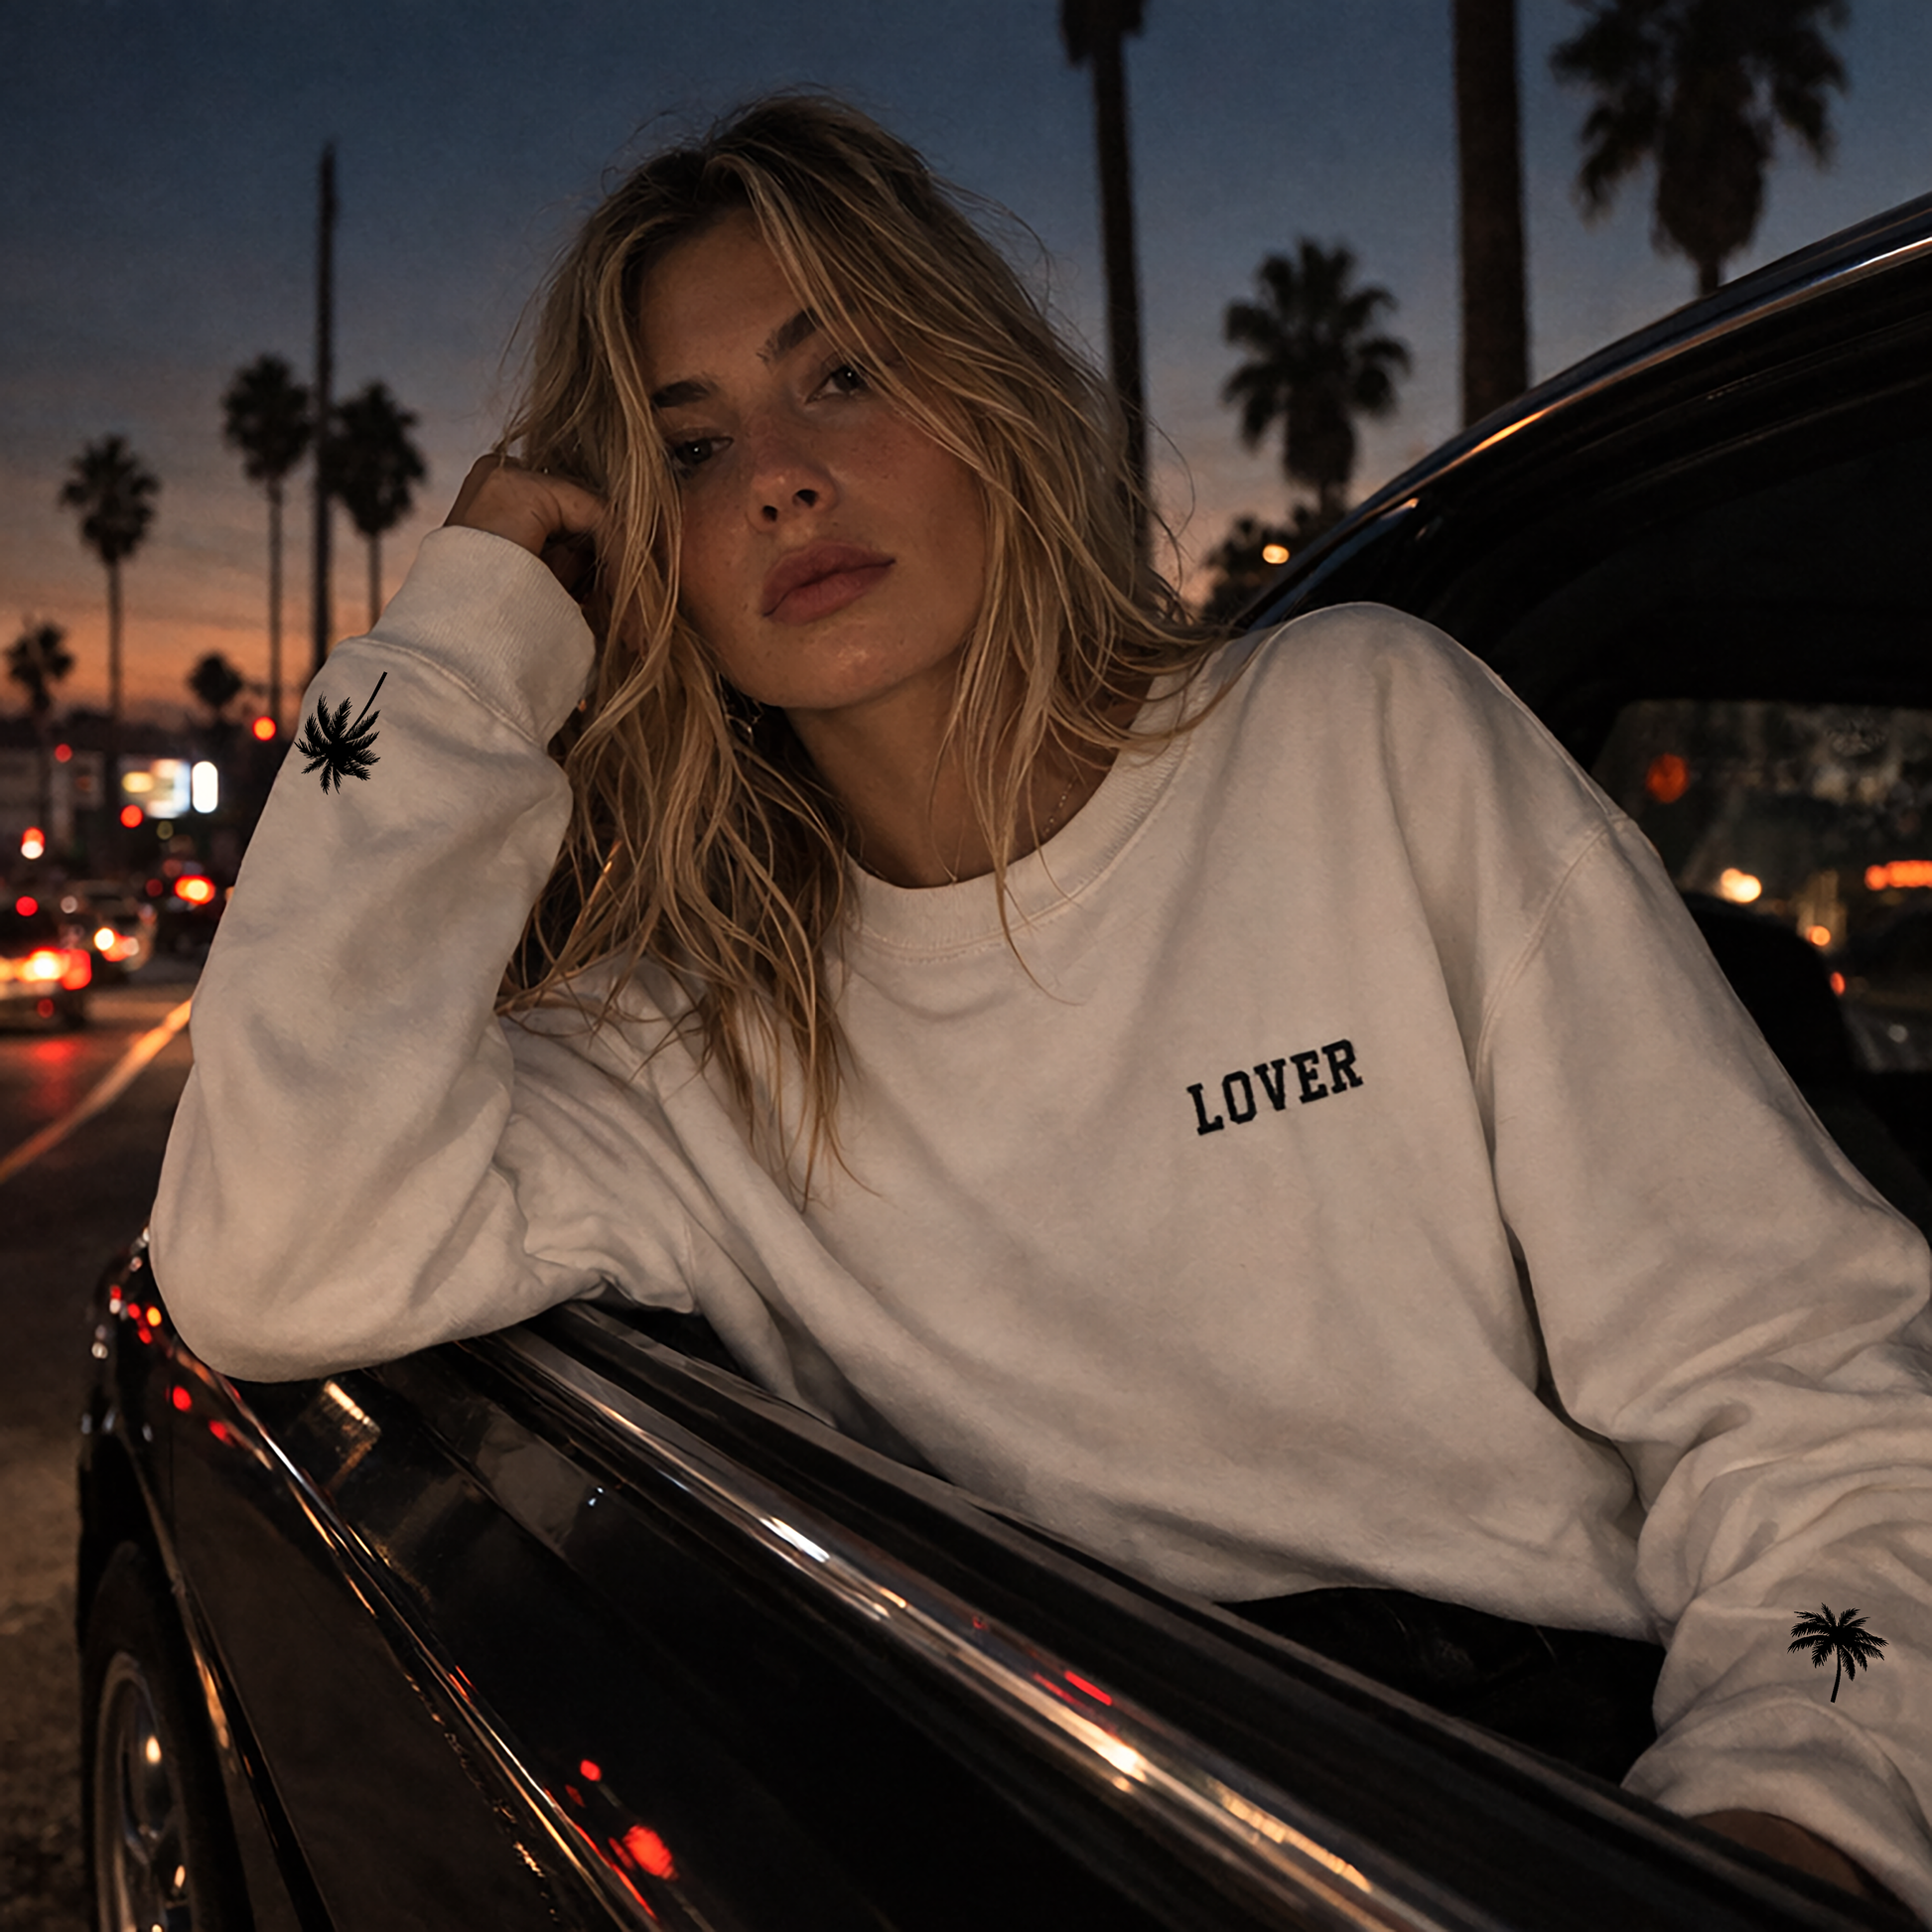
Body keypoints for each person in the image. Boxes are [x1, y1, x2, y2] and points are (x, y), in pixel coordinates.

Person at [151, 94, 1932, 1918]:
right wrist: (462, 641)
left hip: (1572, 1796)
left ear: (992, 397)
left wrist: (1786, 1817)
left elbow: (1801, 1395)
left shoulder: (1361, 737)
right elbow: (260, 1252)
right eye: (686, 452)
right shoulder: (682, 1044)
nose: (775, 476)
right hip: (1098, 1835)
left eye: (840, 374)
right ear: (636, 567)